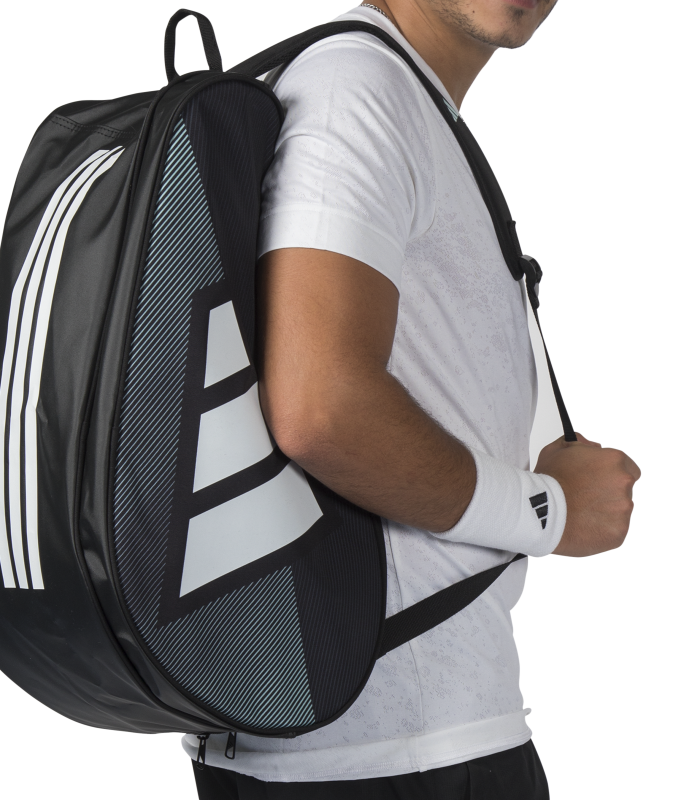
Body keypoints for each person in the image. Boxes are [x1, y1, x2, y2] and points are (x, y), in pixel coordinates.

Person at [187, 1, 641, 797]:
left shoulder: (380, 91)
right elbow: (321, 409)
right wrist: (549, 511)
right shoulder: (359, 90)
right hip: (403, 750)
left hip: (353, 732)